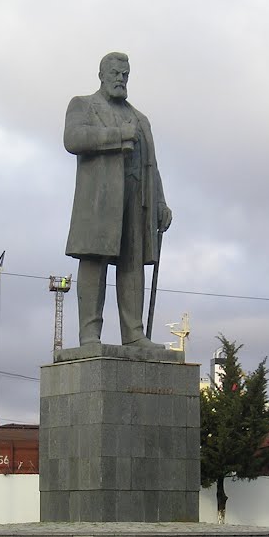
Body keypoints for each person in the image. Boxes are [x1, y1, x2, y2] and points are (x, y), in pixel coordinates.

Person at [64, 52, 172, 348]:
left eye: (125, 74)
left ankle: (134, 333)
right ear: (102, 74)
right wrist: (117, 136)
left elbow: (153, 165)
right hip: (100, 201)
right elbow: (72, 139)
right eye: (115, 74)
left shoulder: (140, 118)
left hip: (137, 198)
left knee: (132, 264)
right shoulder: (83, 105)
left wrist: (160, 202)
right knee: (94, 261)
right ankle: (89, 333)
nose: (121, 79)